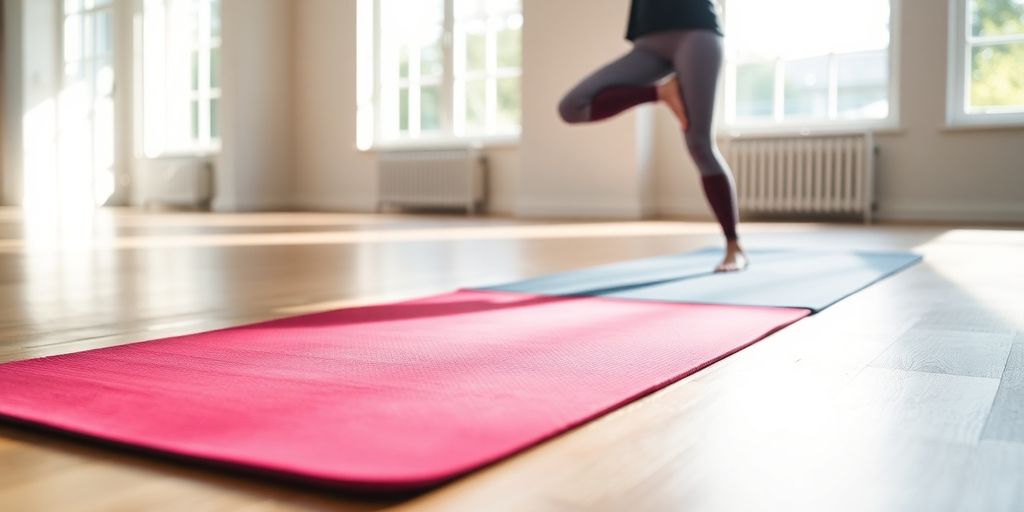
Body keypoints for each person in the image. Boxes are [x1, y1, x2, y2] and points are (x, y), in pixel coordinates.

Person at [558, 0, 748, 272]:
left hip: (696, 31)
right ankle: (662, 93)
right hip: (647, 42)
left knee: (699, 144)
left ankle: (734, 246)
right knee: (571, 106)